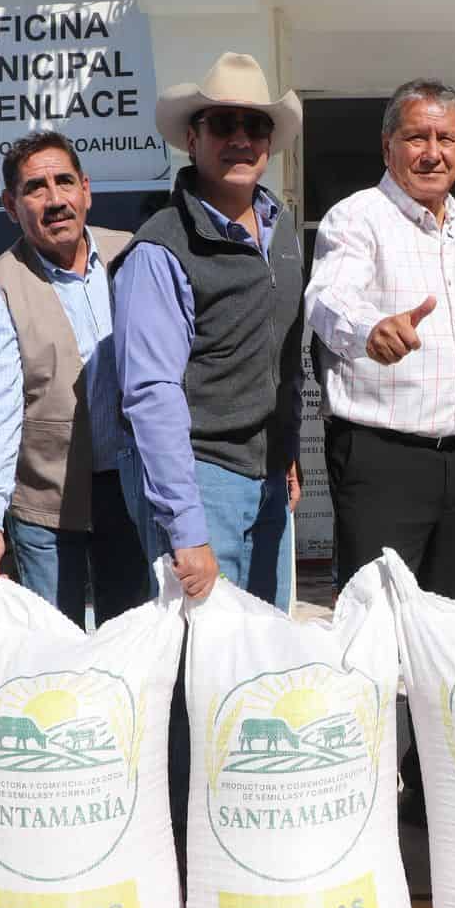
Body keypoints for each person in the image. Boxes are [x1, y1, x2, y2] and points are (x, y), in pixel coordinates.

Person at [112, 52, 304, 608]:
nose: (241, 138)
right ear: (192, 139)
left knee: (260, 663)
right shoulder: (160, 248)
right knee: (199, 664)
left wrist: (286, 450)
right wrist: (186, 528)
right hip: (201, 478)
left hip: (268, 479)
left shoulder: (281, 229)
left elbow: (282, 355)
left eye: (256, 125)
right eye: (223, 123)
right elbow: (151, 394)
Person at [306, 78, 455, 599]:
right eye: (417, 138)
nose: (432, 153)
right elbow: (327, 297)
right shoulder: (357, 217)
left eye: (447, 139)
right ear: (387, 146)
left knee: (452, 626)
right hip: (383, 461)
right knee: (376, 627)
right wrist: (369, 330)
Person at [0, 131, 148, 626]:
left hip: (134, 494)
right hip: (46, 503)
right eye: (35, 188)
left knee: (133, 645)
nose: (54, 200)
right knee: (54, 651)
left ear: (86, 190)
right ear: (10, 205)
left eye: (64, 182)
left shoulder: (135, 254)